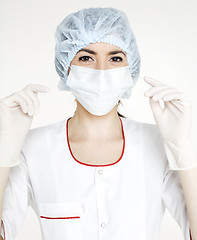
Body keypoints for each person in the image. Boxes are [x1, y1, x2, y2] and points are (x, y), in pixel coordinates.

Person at [0, 7, 195, 240]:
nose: (102, 71)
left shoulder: (157, 144)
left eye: (115, 58)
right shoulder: (33, 148)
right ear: (66, 68)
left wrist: (182, 149)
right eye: (86, 58)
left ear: (129, 67)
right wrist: (3, 151)